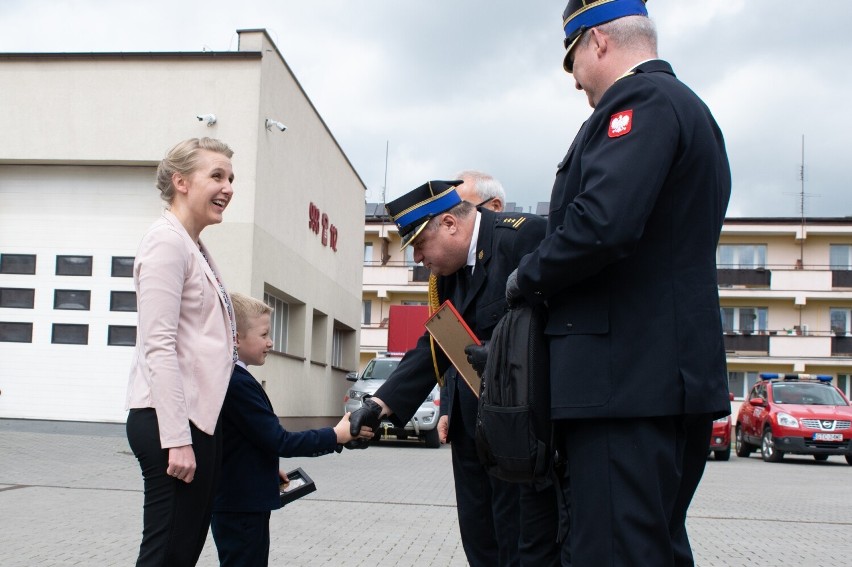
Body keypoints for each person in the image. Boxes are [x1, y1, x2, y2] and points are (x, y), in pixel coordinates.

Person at [506, 1, 732, 565]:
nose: (576, 80)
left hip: (623, 384)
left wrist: (523, 278)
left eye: (573, 60)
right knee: (651, 547)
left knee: (611, 553)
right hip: (658, 380)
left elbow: (601, 224)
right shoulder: (689, 109)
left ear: (598, 41)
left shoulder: (640, 101)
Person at [349, 179, 547, 566]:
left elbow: (556, 325)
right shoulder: (447, 276)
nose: (418, 259)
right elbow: (436, 344)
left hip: (522, 432)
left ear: (450, 225)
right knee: (480, 539)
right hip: (473, 429)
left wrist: (504, 354)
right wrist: (379, 404)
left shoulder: (523, 239)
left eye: (420, 246)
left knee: (520, 541)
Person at [125, 137, 238, 566]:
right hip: (170, 424)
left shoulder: (193, 246)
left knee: (182, 552)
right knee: (167, 555)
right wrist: (177, 439)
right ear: (181, 182)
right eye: (216, 176)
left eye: (231, 178)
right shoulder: (166, 243)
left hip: (194, 424)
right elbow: (158, 345)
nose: (228, 187)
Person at [211, 293, 372, 567]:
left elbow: (241, 440)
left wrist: (263, 467)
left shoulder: (231, 377)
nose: (270, 342)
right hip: (241, 507)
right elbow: (279, 440)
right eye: (264, 334)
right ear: (235, 338)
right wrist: (336, 435)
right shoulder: (236, 383)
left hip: (237, 503)